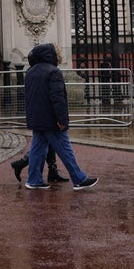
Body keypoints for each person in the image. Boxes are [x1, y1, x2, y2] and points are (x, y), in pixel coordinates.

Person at [22, 43, 98, 191]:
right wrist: (62, 119)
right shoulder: (53, 71)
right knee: (65, 149)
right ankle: (79, 179)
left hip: (36, 117)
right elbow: (58, 98)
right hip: (50, 119)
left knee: (37, 150)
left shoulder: (30, 72)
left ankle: (34, 180)